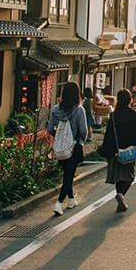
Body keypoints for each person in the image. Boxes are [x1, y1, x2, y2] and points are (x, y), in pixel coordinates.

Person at [47, 81, 90, 215]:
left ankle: (71, 200)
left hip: (60, 147)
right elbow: (83, 131)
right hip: (73, 146)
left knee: (67, 173)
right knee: (68, 176)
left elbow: (49, 128)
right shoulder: (79, 110)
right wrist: (80, 140)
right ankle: (59, 203)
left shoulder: (55, 110)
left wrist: (59, 137)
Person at [100, 88, 136, 212]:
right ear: (129, 100)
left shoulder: (114, 115)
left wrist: (107, 150)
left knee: (118, 176)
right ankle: (121, 194)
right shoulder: (133, 114)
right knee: (129, 176)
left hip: (116, 150)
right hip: (129, 149)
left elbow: (109, 133)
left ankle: (119, 194)